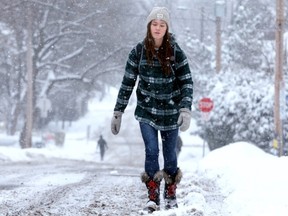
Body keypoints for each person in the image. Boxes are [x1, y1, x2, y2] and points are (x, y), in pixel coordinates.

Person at [111, 7, 193, 212]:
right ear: (149, 27)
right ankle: (153, 195)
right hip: (146, 111)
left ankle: (170, 192)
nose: (158, 28)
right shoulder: (138, 52)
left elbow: (186, 82)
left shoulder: (176, 52)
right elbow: (127, 83)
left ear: (166, 28)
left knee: (170, 154)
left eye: (162, 25)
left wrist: (185, 109)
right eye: (154, 24)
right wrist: (118, 111)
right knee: (151, 151)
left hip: (171, 113)